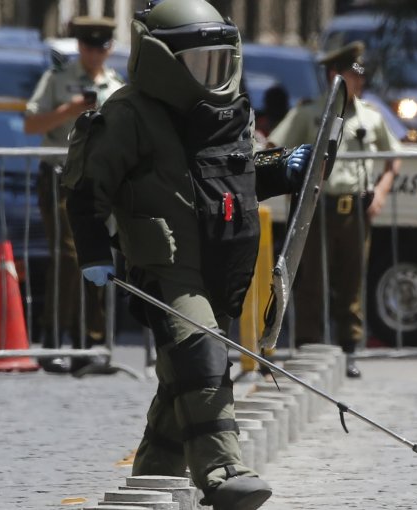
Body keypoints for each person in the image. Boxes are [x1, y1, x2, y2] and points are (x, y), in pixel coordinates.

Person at [61, 1, 312, 508]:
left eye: (219, 61)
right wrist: (93, 251)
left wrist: (283, 171)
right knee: (202, 357)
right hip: (166, 267)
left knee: (183, 379)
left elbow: (234, 179)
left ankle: (155, 473)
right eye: (199, 62)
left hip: (222, 264)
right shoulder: (127, 115)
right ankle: (223, 470)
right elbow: (85, 190)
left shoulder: (226, 112)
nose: (211, 75)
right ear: (161, 60)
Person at [268, 41, 402, 378]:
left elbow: (394, 158)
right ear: (334, 76)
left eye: (361, 75)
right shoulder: (311, 113)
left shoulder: (371, 117)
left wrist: (381, 192)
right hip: (316, 208)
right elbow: (275, 147)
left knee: (350, 282)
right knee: (310, 280)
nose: (360, 82)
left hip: (354, 211)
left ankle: (349, 349)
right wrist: (290, 181)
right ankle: (308, 348)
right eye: (353, 75)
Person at [24, 16, 126, 374]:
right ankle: (53, 338)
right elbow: (31, 123)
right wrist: (69, 111)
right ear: (79, 46)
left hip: (101, 180)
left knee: (98, 255)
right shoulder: (57, 80)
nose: (95, 53)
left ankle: (89, 342)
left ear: (110, 48)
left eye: (101, 47)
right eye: (88, 46)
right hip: (61, 175)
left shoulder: (116, 86)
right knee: (68, 255)